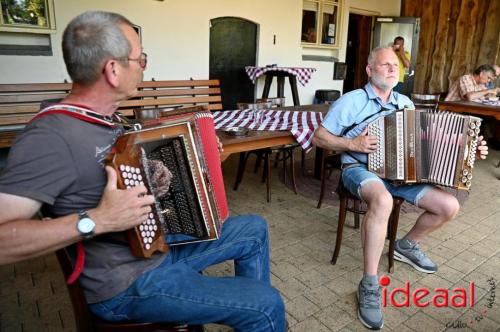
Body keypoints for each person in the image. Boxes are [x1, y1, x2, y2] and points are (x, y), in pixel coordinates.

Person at [0, 11, 286, 332]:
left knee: (254, 229)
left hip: (154, 249)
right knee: (265, 304)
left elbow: (112, 179)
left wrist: (175, 173)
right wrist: (96, 220)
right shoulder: (51, 136)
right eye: (140, 59)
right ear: (112, 69)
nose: (144, 67)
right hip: (124, 283)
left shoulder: (106, 120)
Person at [312, 47, 488, 330]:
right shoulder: (351, 101)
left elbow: (427, 143)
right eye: (385, 64)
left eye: (396, 65)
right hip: (360, 169)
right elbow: (319, 137)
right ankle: (369, 284)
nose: (393, 69)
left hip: (401, 174)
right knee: (382, 201)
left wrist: (468, 149)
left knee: (449, 206)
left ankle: (405, 245)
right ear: (370, 71)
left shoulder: (405, 102)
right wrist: (351, 144)